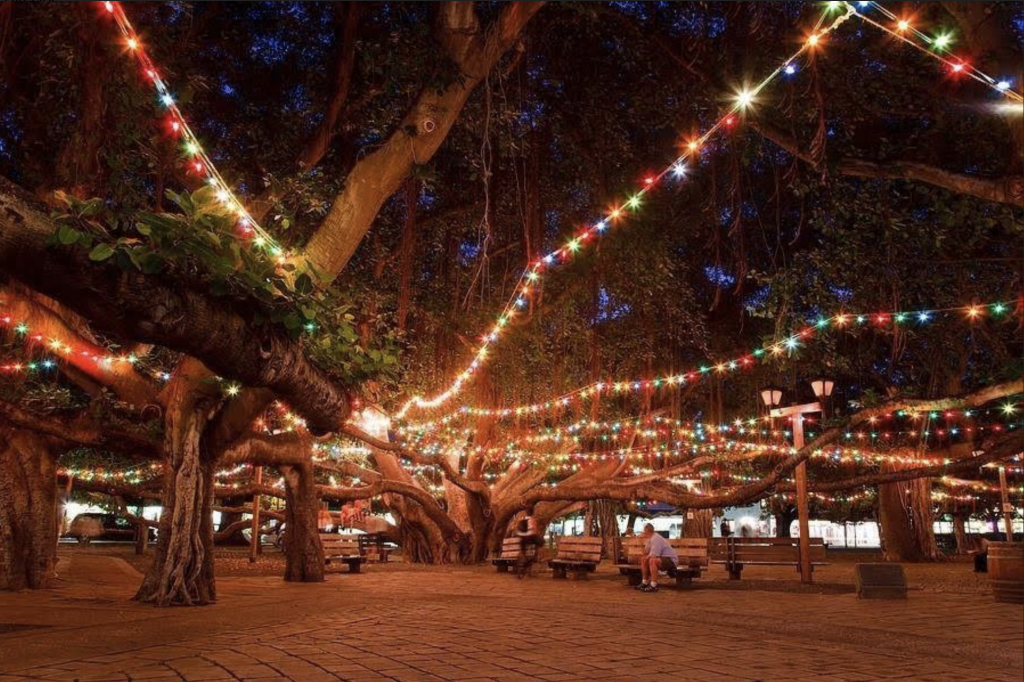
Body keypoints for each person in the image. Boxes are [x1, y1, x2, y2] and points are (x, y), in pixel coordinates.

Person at [637, 523, 678, 592]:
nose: (643, 533)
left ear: (647, 531)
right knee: (644, 559)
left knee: (652, 560)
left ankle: (653, 585)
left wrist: (646, 558)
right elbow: (645, 553)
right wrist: (640, 542)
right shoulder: (650, 539)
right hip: (662, 559)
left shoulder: (656, 538)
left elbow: (654, 554)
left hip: (671, 560)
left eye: (644, 531)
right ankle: (645, 582)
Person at [514, 506, 543, 577]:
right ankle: (531, 559)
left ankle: (522, 564)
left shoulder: (522, 519)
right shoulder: (532, 520)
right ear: (533, 512)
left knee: (523, 552)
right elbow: (534, 531)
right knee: (541, 543)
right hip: (530, 538)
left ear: (526, 512)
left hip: (522, 539)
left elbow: (517, 530)